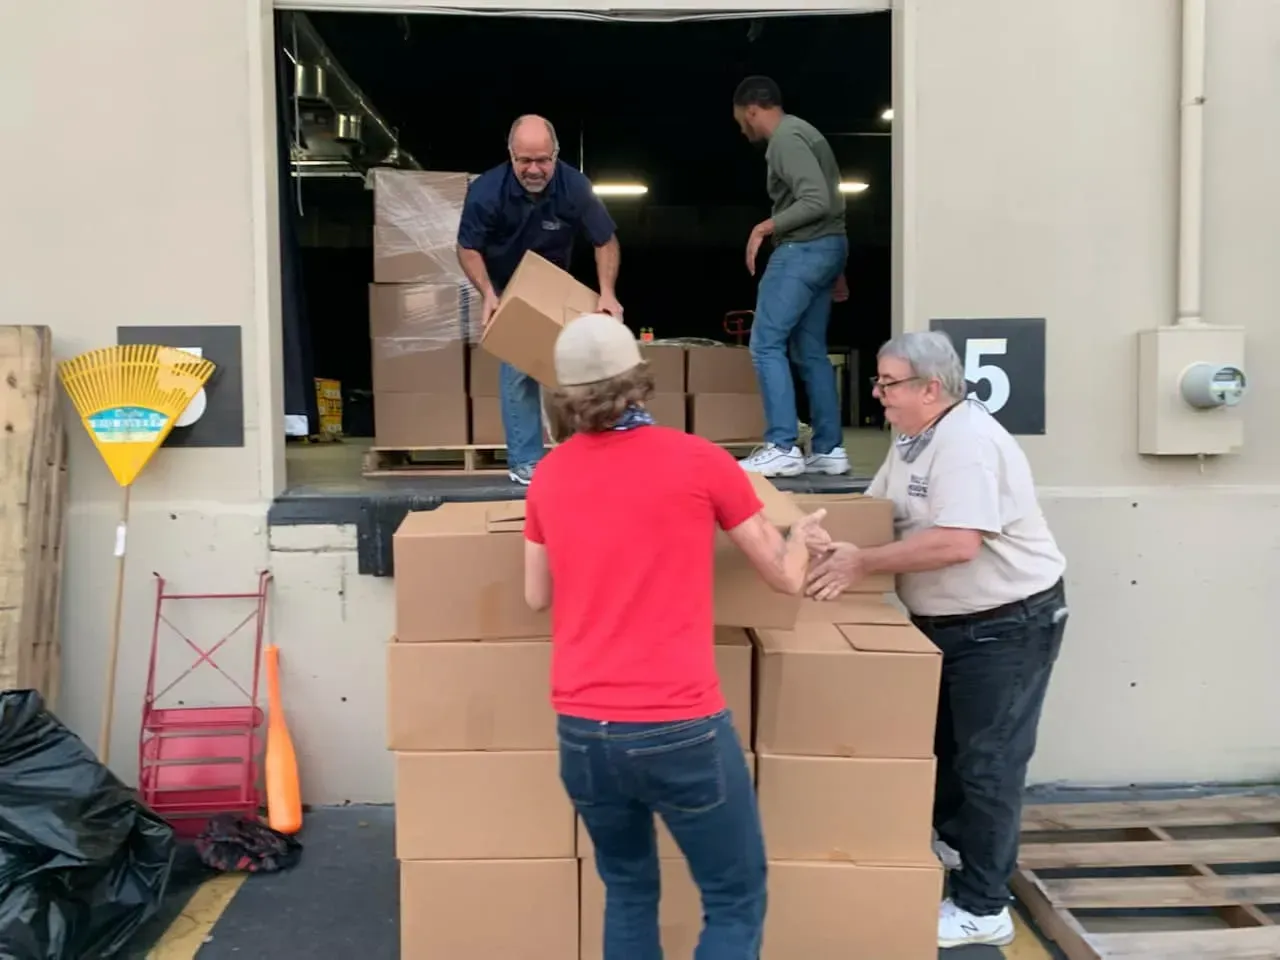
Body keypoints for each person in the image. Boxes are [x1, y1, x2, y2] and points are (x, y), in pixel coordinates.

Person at [522, 313, 829, 960]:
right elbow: (782, 580)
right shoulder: (699, 460)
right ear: (638, 381)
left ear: (563, 396)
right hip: (679, 724)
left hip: (583, 730)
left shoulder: (548, 476)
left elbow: (534, 593)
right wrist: (799, 540)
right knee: (734, 897)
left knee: (629, 890)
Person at [805, 331, 1068, 950]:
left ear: (931, 387)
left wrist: (860, 563)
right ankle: (960, 855)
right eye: (878, 382)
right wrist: (809, 532)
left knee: (988, 765)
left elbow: (958, 542)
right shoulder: (913, 440)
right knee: (945, 752)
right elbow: (876, 509)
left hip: (1007, 624)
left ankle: (984, 907)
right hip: (950, 625)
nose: (877, 394)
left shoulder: (966, 442)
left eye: (888, 383)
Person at [456, 115, 623, 485]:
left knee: (582, 358)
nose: (534, 169)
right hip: (503, 282)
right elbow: (467, 247)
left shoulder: (575, 186)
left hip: (552, 280)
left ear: (557, 155)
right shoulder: (486, 190)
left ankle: (593, 452)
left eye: (543, 160)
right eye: (524, 160)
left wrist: (607, 293)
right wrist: (487, 293)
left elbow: (605, 240)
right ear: (511, 155)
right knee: (519, 362)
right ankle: (526, 462)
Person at [732, 76, 850, 479]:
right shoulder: (806, 132)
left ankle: (782, 445)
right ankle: (829, 449)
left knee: (765, 344)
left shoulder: (785, 139)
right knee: (810, 350)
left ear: (750, 110)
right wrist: (836, 265)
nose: (741, 128)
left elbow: (815, 198)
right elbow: (834, 201)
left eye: (739, 120)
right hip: (826, 248)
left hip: (801, 251)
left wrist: (764, 227)